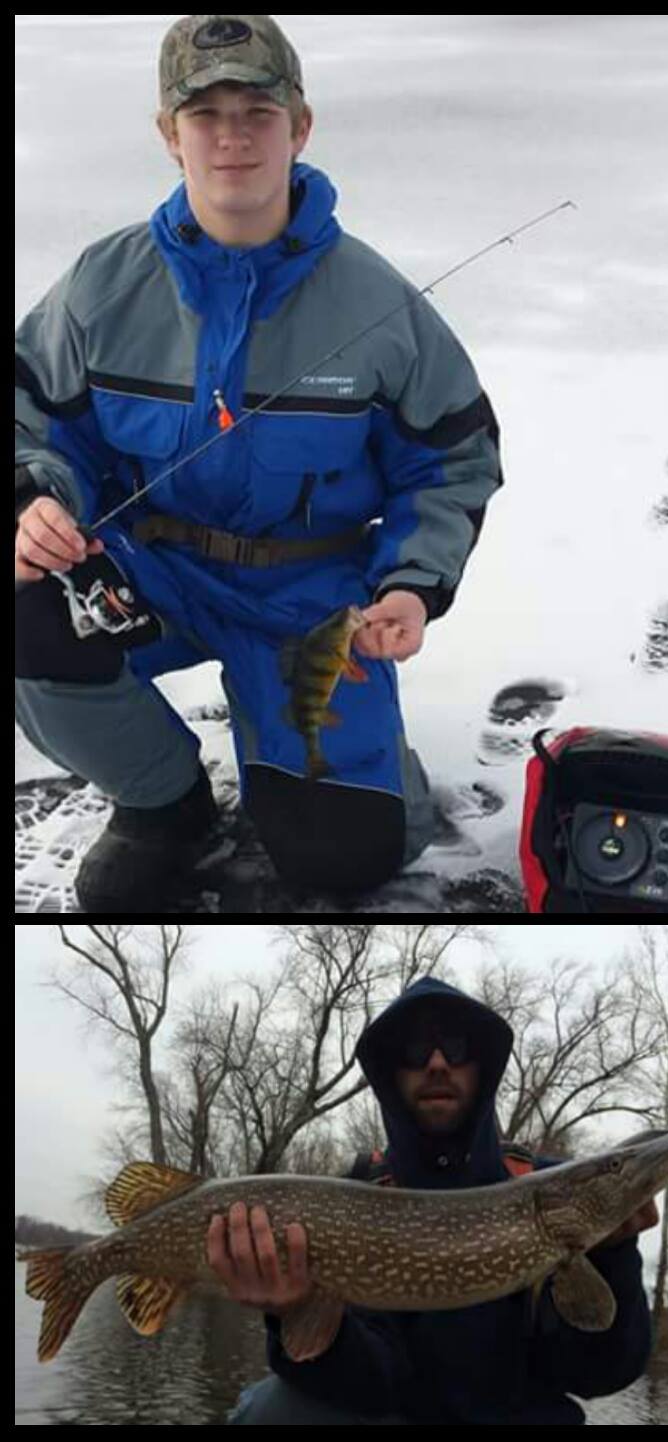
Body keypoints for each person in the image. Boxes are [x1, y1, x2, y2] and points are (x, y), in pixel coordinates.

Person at [15, 15, 503, 913]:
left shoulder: (379, 303)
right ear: (170, 134)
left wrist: (411, 584)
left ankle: (357, 763)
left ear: (300, 127)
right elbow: (32, 419)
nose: (232, 136)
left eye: (258, 111)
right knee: (21, 607)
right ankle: (165, 803)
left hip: (310, 604)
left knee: (345, 857)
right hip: (149, 571)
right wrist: (31, 504)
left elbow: (453, 462)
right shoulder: (100, 286)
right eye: (204, 114)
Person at [208, 977, 658, 1425]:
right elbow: (372, 1381)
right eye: (415, 1050)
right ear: (392, 1071)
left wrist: (613, 1255)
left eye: (456, 1047)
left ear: (481, 1068)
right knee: (268, 1411)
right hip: (396, 1416)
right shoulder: (358, 1198)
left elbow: (598, 1374)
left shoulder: (537, 1184)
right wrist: (295, 1309)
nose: (438, 1063)